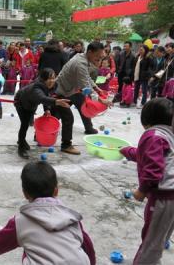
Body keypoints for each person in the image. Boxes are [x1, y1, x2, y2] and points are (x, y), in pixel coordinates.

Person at [0, 161, 95, 265]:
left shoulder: (19, 222)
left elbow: (0, 241)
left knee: (28, 251)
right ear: (56, 191)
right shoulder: (71, 217)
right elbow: (87, 246)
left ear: (25, 193)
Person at [120, 98, 174, 265]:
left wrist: (141, 190)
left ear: (146, 121)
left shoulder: (152, 135)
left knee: (151, 241)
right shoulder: (168, 135)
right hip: (171, 197)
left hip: (163, 197)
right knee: (159, 234)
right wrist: (128, 151)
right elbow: (148, 156)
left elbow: (153, 168)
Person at [54, 42, 110, 150]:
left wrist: (97, 88)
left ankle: (88, 128)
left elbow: (87, 78)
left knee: (81, 105)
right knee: (67, 118)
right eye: (97, 57)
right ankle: (66, 145)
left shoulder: (84, 58)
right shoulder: (80, 63)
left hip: (72, 90)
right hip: (61, 91)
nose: (99, 60)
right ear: (89, 52)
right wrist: (102, 101)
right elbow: (85, 87)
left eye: (100, 57)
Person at [14, 69, 71, 158]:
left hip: (32, 103)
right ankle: (21, 147)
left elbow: (47, 96)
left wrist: (47, 110)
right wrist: (57, 102)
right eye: (49, 78)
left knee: (28, 120)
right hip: (21, 102)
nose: (52, 81)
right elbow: (42, 98)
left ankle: (21, 140)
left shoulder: (53, 85)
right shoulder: (36, 88)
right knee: (24, 124)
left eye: (53, 78)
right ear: (43, 79)